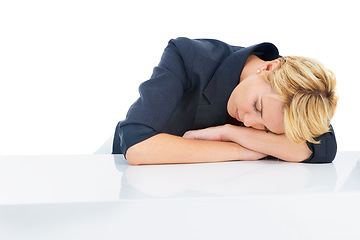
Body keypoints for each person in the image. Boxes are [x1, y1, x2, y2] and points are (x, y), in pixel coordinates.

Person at [112, 37, 338, 165]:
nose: (250, 123)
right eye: (257, 106)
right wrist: (239, 150)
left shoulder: (297, 95)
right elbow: (137, 146)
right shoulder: (188, 56)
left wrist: (231, 133)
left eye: (266, 129)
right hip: (120, 175)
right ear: (269, 66)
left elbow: (323, 147)